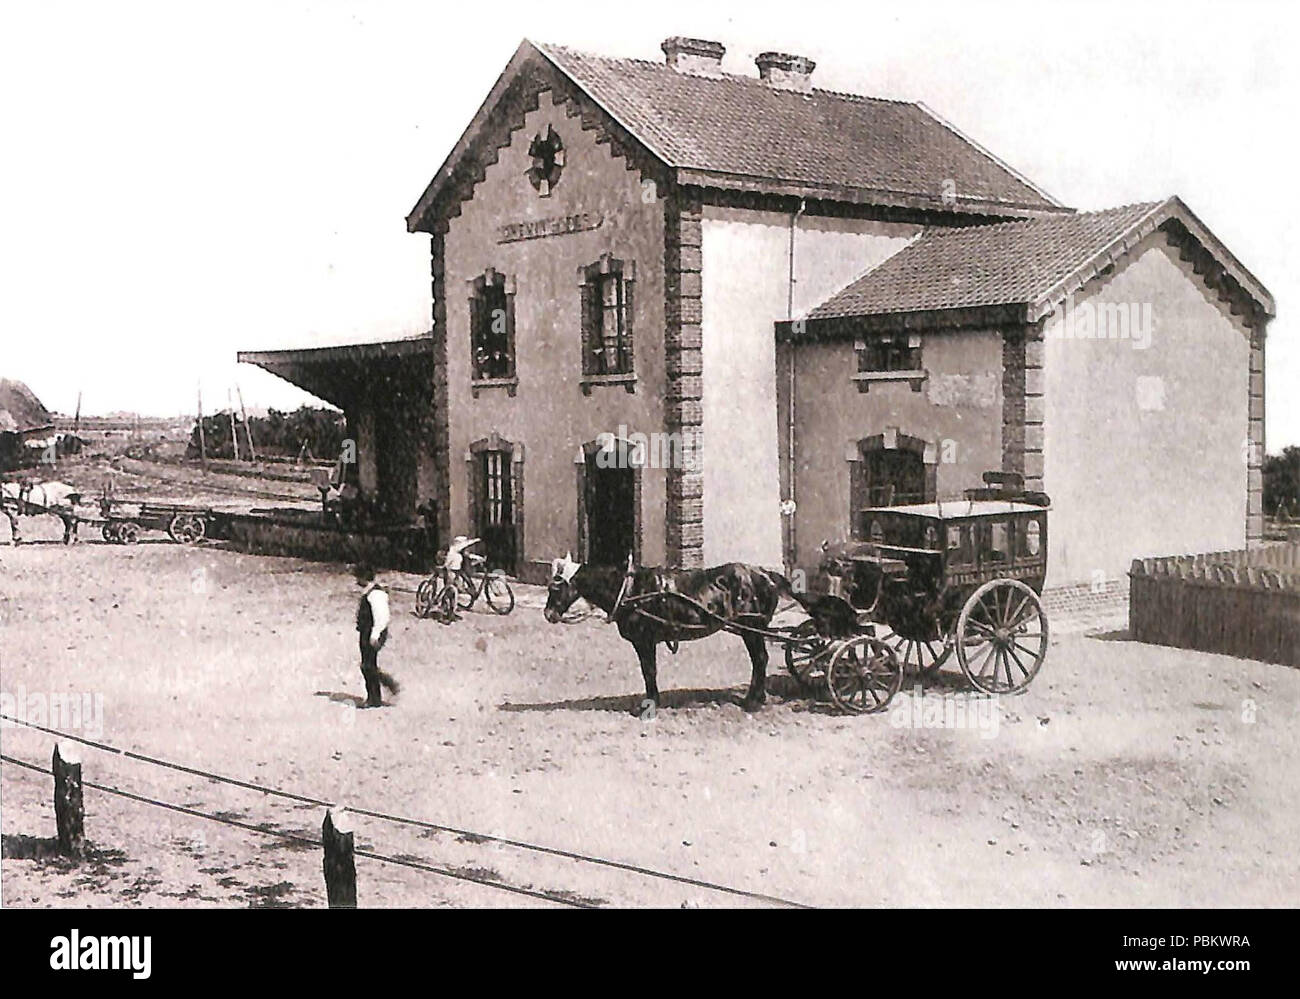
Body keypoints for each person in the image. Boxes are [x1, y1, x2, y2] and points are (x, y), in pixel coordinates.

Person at [354, 564, 400, 708]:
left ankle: (376, 696)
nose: (356, 581)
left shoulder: (375, 594)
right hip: (367, 631)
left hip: (373, 631)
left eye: (358, 577)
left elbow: (382, 617)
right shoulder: (370, 592)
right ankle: (376, 695)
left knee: (367, 665)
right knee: (368, 664)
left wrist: (375, 635)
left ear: (363, 578)